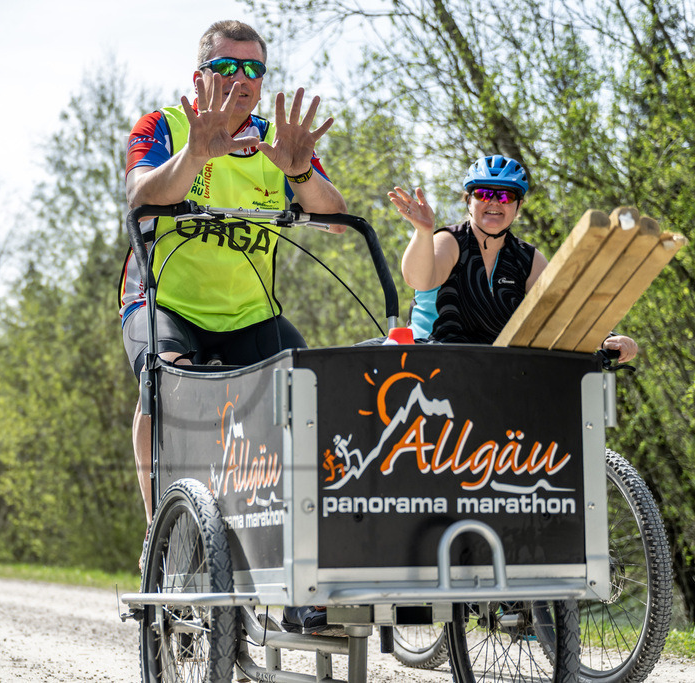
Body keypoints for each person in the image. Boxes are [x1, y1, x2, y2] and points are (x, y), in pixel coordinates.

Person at [119, 19, 347, 635]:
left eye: (254, 69)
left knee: (323, 394)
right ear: (200, 76)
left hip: (250, 312)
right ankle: (161, 541)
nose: (242, 80)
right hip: (165, 301)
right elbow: (141, 194)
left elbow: (334, 216)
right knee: (166, 387)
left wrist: (300, 174)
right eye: (227, 67)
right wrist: (195, 153)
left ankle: (299, 566)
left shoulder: (278, 140)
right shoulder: (165, 125)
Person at [389, 154, 638, 361]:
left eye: (506, 196)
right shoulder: (449, 241)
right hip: (430, 360)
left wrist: (606, 337)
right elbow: (419, 280)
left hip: (494, 372)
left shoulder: (526, 258)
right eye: (484, 194)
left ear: (518, 206)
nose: (495, 202)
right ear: (469, 201)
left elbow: (565, 307)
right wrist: (423, 233)